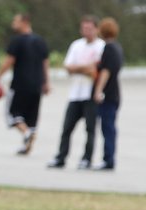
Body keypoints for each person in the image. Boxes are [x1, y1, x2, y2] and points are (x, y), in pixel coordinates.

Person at [47, 16, 104, 170]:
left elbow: (95, 70)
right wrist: (84, 68)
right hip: (75, 94)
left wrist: (79, 68)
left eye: (89, 28)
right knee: (66, 128)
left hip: (90, 94)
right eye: (84, 28)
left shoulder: (101, 47)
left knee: (90, 129)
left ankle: (86, 159)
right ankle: (61, 157)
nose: (86, 31)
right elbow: (68, 67)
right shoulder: (76, 45)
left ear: (96, 29)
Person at [0, 13, 50, 155]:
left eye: (16, 20)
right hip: (37, 85)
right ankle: (27, 146)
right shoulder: (40, 41)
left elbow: (9, 61)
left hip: (20, 85)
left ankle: (25, 133)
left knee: (13, 114)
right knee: (31, 118)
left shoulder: (17, 41)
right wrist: (46, 82)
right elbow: (46, 64)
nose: (13, 23)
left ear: (24, 22)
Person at [92, 17, 122, 171]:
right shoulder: (117, 47)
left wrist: (98, 90)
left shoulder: (108, 48)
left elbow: (106, 71)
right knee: (110, 127)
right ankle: (109, 158)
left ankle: (108, 159)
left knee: (107, 127)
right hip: (116, 93)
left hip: (108, 94)